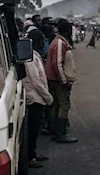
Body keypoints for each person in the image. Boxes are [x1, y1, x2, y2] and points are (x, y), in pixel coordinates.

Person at [24, 29, 54, 168]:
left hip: (37, 97)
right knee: (32, 130)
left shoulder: (34, 55)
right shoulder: (29, 58)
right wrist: (48, 98)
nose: (43, 43)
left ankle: (33, 153)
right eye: (42, 40)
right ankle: (30, 157)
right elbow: (36, 82)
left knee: (35, 129)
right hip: (34, 98)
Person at [45, 20, 78, 143]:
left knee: (57, 105)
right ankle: (61, 133)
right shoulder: (59, 43)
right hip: (58, 80)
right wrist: (64, 81)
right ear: (68, 30)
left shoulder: (58, 41)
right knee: (64, 105)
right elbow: (57, 64)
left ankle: (55, 131)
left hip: (55, 79)